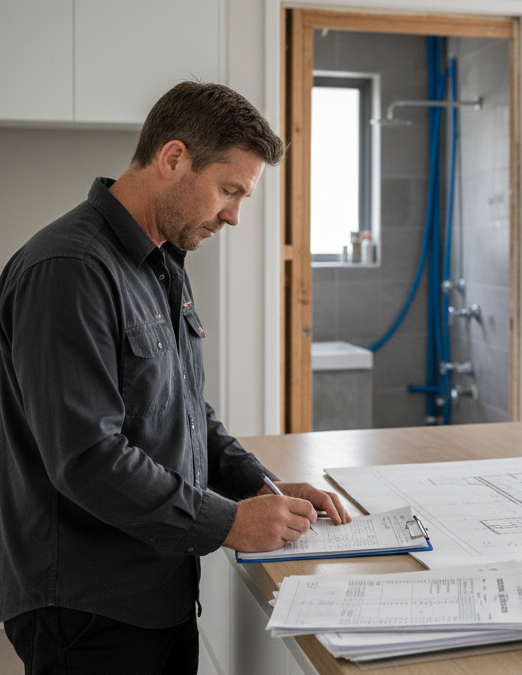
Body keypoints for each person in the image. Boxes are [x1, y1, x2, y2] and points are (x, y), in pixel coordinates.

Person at [0, 82, 351, 674]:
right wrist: (227, 522)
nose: (235, 216)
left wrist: (264, 489)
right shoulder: (69, 269)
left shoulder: (162, 263)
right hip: (89, 609)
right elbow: (87, 457)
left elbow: (185, 411)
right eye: (229, 190)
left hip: (157, 592)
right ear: (173, 158)